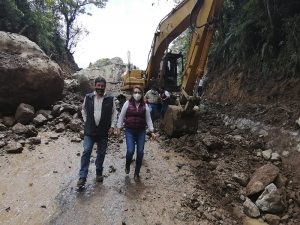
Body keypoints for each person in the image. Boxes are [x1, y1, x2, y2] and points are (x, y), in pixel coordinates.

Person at [77, 77, 117, 187]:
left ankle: (99, 171)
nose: (100, 88)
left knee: (101, 152)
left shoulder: (110, 99)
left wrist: (112, 127)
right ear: (95, 85)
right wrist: (86, 121)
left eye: (102, 86)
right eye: (98, 85)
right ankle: (82, 176)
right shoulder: (88, 97)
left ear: (105, 87)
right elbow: (83, 110)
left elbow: (114, 114)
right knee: (86, 151)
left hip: (103, 131)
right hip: (90, 130)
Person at [117, 85, 157, 182]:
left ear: (142, 94)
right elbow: (121, 116)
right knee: (130, 151)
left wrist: (152, 132)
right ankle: (127, 164)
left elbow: (148, 119)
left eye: (139, 92)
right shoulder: (127, 104)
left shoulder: (145, 106)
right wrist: (119, 128)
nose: (137, 94)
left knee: (140, 152)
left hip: (141, 132)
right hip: (129, 130)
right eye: (135, 92)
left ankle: (136, 173)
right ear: (132, 94)